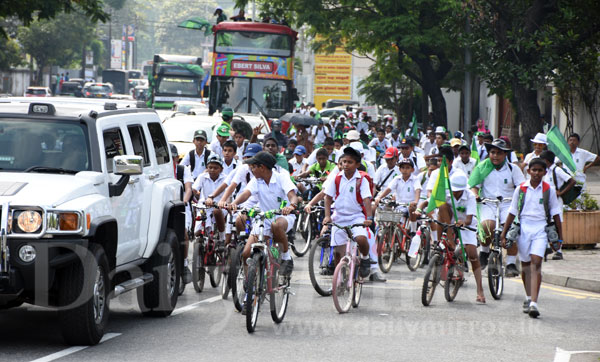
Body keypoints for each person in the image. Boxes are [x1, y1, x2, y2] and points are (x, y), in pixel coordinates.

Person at [501, 158, 563, 318]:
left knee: (536, 262)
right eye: (533, 170)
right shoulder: (521, 189)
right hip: (523, 229)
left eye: (540, 170)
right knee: (526, 265)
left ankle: (534, 303)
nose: (536, 173)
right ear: (528, 171)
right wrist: (504, 233)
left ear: (544, 172)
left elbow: (556, 214)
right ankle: (528, 297)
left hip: (541, 229)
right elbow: (512, 211)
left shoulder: (549, 189)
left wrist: (559, 239)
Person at [229, 151, 298, 277]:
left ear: (262, 167)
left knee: (276, 225)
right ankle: (249, 283)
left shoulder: (281, 177)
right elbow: (246, 194)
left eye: (254, 166)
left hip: (283, 216)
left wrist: (291, 206)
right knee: (246, 254)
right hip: (264, 218)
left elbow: (292, 195)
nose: (251, 169)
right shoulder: (256, 181)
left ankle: (286, 258)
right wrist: (234, 203)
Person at [468, 138, 525, 277]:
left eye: (499, 153)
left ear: (505, 154)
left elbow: (522, 187)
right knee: (487, 226)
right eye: (493, 152)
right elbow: (473, 186)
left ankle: (511, 263)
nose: (495, 156)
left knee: (512, 231)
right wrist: (476, 195)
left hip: (508, 204)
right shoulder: (482, 167)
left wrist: (520, 201)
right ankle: (484, 252)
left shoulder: (513, 168)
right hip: (488, 203)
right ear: (489, 153)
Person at [322, 147, 373, 279]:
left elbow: (367, 199)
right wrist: (327, 216)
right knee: (338, 253)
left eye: (349, 162)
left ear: (357, 164)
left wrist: (369, 218)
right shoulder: (336, 178)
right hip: (338, 216)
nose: (345, 165)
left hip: (356, 216)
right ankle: (340, 280)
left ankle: (365, 258)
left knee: (361, 239)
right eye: (344, 161)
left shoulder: (361, 180)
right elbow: (327, 197)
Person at [448, 173, 486, 303]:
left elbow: (469, 219)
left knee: (473, 255)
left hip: (466, 224)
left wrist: (463, 223)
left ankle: (480, 290)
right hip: (450, 223)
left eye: (457, 191)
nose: (455, 193)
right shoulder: (446, 193)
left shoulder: (469, 196)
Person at [540, 150, 575, 260]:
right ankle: (546, 247)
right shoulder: (545, 171)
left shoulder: (557, 170)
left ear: (546, 160)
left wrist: (561, 192)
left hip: (556, 201)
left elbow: (572, 181)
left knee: (556, 224)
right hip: (546, 201)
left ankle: (559, 250)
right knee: (546, 224)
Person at [374, 158, 421, 235]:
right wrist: (380, 197)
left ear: (412, 170)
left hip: (411, 205)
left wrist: (415, 201)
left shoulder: (415, 179)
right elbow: (389, 189)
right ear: (399, 169)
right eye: (403, 168)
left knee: (412, 209)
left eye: (407, 168)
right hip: (399, 205)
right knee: (391, 219)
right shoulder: (397, 178)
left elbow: (417, 190)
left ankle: (413, 231)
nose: (405, 170)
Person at [171, 144, 193, 285]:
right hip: (167, 208)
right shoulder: (160, 171)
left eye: (173, 158)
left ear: (177, 159)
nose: (170, 161)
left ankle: (184, 264)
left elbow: (189, 189)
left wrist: (184, 201)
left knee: (183, 233)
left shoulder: (182, 170)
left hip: (182, 208)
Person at [192, 154, 228, 240]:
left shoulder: (225, 179)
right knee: (197, 232)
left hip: (220, 205)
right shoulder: (202, 177)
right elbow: (194, 189)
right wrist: (196, 194)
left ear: (221, 169)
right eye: (210, 167)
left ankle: (222, 237)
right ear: (207, 167)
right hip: (205, 205)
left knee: (217, 211)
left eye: (216, 168)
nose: (212, 170)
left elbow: (229, 194)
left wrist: (224, 203)